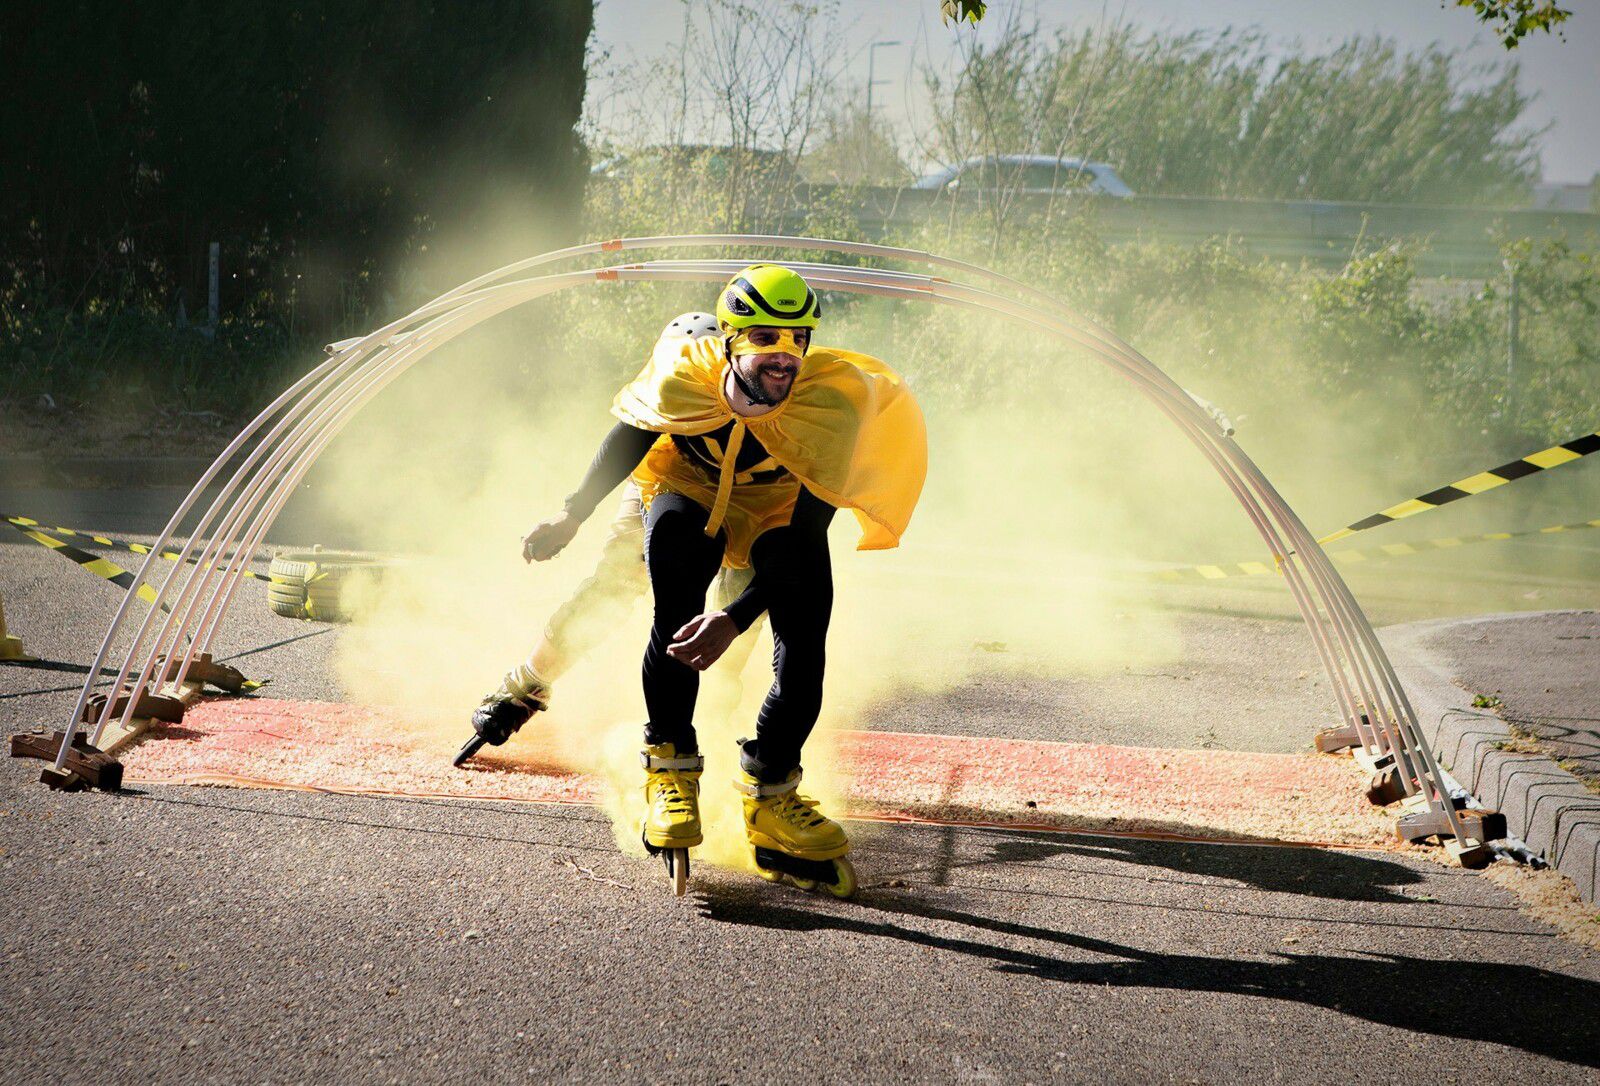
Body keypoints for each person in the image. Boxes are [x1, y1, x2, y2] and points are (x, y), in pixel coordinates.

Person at [520, 264, 925, 895]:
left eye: (798, 339)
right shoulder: (685, 370)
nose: (784, 354)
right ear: (731, 340)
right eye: (765, 337)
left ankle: (771, 788)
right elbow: (628, 436)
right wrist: (571, 514)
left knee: (805, 629)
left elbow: (805, 536)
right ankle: (670, 773)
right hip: (691, 489)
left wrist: (735, 620)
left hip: (779, 512)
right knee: (676, 599)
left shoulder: (831, 402)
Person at [453, 314, 763, 769]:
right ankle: (527, 683)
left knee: (740, 595)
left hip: (750, 490)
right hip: (667, 480)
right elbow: (626, 442)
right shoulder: (670, 392)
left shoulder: (760, 393)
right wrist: (572, 513)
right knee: (618, 582)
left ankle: (716, 698)